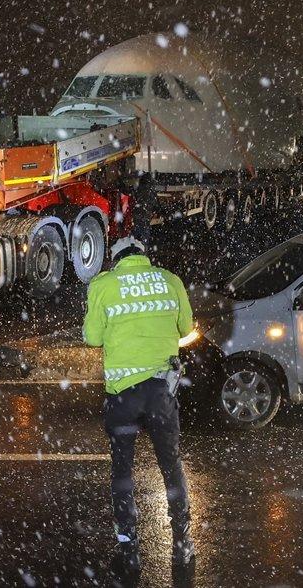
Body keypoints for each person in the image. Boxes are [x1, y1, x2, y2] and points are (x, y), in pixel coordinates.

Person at [83, 235, 196, 569]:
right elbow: (186, 328)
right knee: (171, 466)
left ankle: (129, 551)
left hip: (122, 395)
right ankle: (182, 545)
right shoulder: (170, 280)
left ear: (116, 259)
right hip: (161, 392)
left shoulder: (104, 284)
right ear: (144, 256)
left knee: (122, 471)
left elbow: (92, 337)